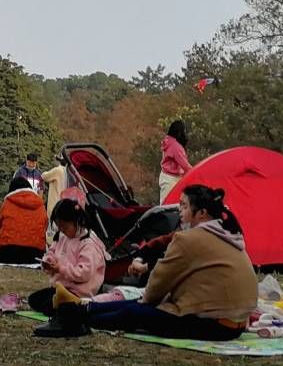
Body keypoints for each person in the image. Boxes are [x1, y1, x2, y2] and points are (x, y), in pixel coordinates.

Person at [73, 184, 256, 341]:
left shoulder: (190, 239)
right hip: (236, 323)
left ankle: (76, 314)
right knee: (139, 306)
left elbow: (160, 280)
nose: (179, 211)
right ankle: (85, 307)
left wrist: (145, 301)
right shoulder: (228, 235)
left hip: (216, 324)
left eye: (183, 206)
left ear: (201, 213)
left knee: (134, 313)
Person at [26, 201, 108, 339]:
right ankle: (60, 304)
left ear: (76, 221)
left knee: (51, 304)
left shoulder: (88, 243)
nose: (62, 230)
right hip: (62, 287)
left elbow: (84, 274)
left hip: (79, 291)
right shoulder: (62, 237)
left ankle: (68, 305)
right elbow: (52, 252)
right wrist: (48, 261)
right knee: (34, 300)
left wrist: (60, 269)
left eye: (64, 226)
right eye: (59, 227)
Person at [159, 121, 192, 202]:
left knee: (165, 202)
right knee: (168, 205)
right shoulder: (176, 146)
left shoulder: (168, 142)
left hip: (165, 176)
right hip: (171, 179)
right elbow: (185, 166)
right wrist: (197, 172)